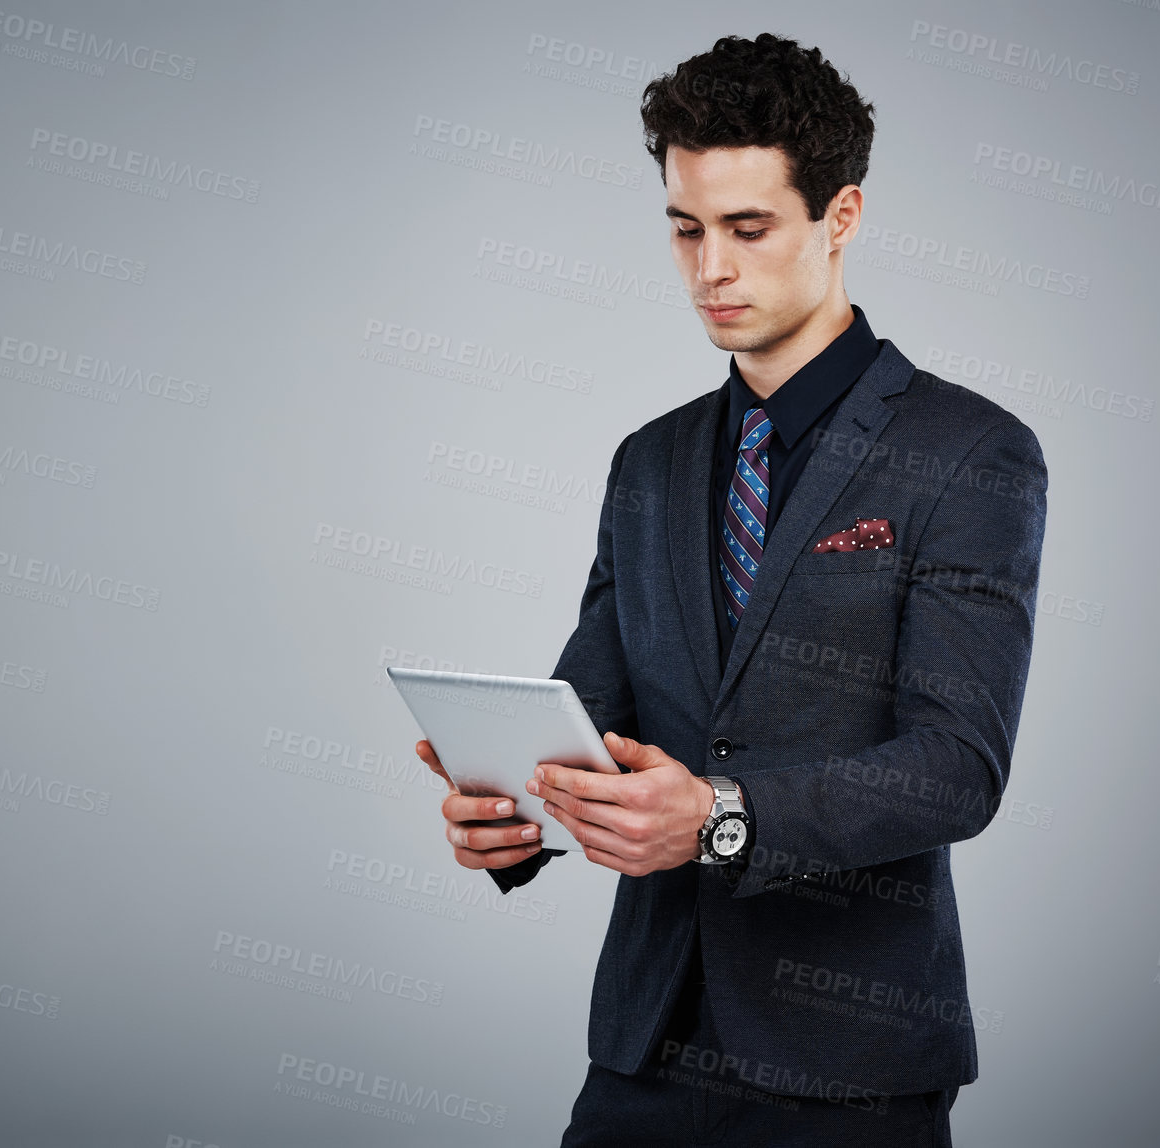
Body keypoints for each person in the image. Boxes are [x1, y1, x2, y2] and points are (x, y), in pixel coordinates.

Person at [415, 33, 1047, 1147]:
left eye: (748, 229)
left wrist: (715, 818)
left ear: (839, 218)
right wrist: (512, 808)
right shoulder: (647, 462)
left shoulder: (968, 452)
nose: (711, 266)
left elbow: (956, 770)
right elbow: (591, 717)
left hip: (851, 1063)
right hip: (644, 1047)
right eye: (685, 226)